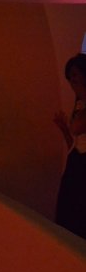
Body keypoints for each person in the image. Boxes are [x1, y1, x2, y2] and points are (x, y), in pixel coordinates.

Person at [53, 53, 86, 239]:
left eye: (75, 74)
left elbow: (78, 126)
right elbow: (74, 146)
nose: (72, 79)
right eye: (70, 76)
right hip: (76, 165)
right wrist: (64, 129)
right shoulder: (79, 103)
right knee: (69, 214)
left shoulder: (82, 103)